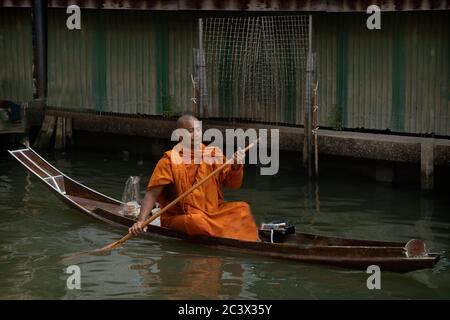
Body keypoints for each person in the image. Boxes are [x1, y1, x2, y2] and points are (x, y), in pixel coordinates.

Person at [129, 114, 259, 242]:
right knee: (197, 222)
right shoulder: (169, 161)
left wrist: (236, 166)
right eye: (191, 131)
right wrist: (141, 221)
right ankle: (228, 234)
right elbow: (152, 194)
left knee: (243, 209)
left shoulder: (213, 154)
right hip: (181, 216)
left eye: (198, 130)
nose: (196, 134)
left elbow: (233, 184)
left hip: (212, 213)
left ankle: (228, 235)